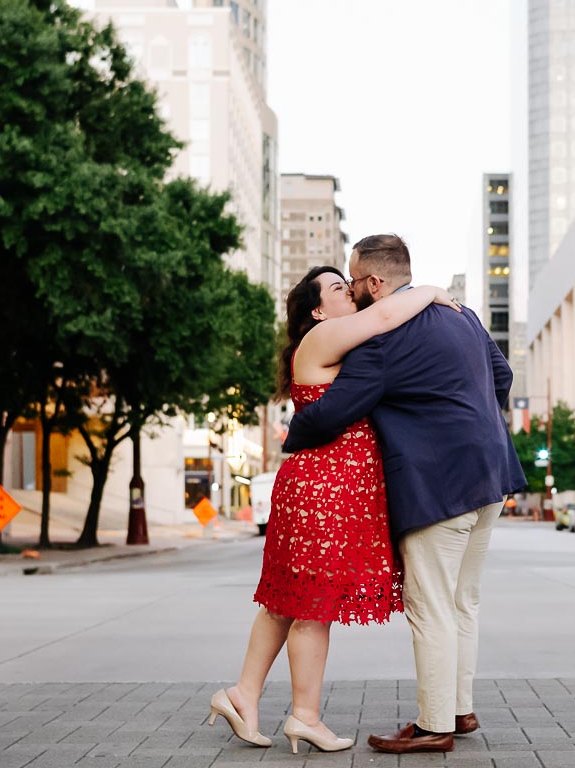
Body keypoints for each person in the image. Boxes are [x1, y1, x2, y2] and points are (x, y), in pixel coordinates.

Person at [283, 234, 527, 755]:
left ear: (374, 283)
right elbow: (501, 375)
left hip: (439, 486)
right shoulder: (464, 317)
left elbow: (332, 412)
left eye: (352, 279)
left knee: (430, 604)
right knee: (464, 601)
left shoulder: (382, 342)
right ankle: (459, 708)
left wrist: (293, 435)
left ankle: (434, 724)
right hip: (493, 474)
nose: (350, 288)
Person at [207, 265, 461, 755]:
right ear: (318, 309)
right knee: (311, 607)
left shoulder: (332, 343)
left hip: (321, 488)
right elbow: (386, 314)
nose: (352, 294)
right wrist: (430, 290)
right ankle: (304, 717)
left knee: (287, 600)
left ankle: (242, 695)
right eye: (341, 289)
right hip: (321, 491)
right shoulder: (324, 336)